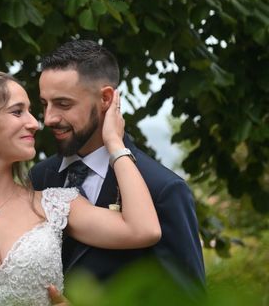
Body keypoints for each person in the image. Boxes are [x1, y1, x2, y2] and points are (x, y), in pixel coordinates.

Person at [0, 70, 161, 306]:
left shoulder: (56, 205)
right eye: (17, 112)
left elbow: (144, 229)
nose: (35, 123)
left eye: (30, 111)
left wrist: (115, 144)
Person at [30, 39, 205, 290]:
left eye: (63, 104)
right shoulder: (40, 176)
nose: (48, 119)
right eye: (45, 104)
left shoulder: (162, 189)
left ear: (106, 98)